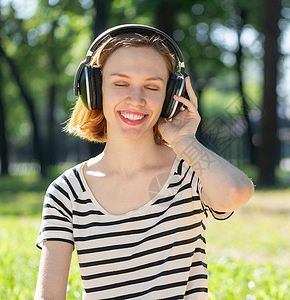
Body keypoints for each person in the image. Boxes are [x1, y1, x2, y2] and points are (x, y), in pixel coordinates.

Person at [34, 24, 254, 299]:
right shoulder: (67, 192)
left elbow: (235, 192)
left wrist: (184, 142)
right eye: (120, 83)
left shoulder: (189, 170)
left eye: (152, 87)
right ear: (94, 90)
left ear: (170, 98)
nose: (136, 100)